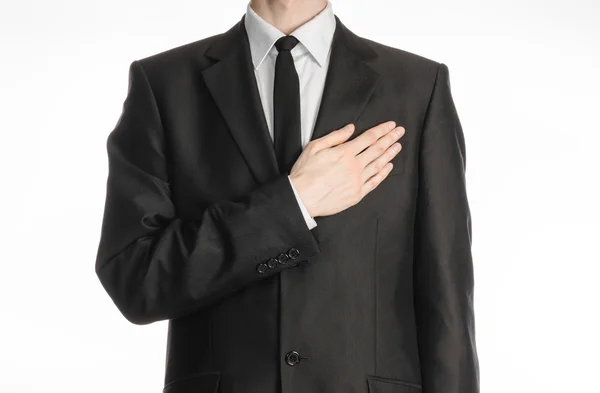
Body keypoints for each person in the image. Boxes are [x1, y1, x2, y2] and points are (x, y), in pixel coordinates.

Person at [95, 0, 480, 392]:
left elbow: (446, 298)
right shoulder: (164, 84)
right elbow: (136, 279)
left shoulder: (416, 86)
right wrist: (294, 203)